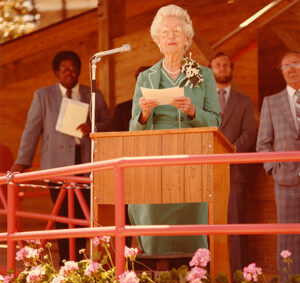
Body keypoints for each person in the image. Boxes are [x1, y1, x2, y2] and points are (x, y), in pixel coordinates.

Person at [129, 4, 221, 255]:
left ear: (187, 38)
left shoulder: (204, 75)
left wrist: (193, 112)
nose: (171, 35)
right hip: (153, 164)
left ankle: (196, 277)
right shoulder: (145, 78)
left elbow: (215, 122)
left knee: (190, 233)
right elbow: (133, 128)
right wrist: (145, 114)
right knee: (150, 221)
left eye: (177, 31)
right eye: (166, 31)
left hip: (191, 162)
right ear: (158, 39)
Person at [10, 50, 111, 262]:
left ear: (79, 71)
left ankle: (83, 266)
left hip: (85, 164)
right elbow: (32, 130)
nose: (69, 72)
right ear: (57, 72)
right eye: (64, 68)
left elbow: (108, 125)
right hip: (56, 167)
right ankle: (66, 264)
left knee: (84, 217)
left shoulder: (92, 94)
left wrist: (92, 126)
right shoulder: (43, 96)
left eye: (73, 68)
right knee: (63, 217)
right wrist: (21, 162)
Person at [210, 52, 257, 274]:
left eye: (225, 64)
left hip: (235, 172)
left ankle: (241, 280)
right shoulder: (201, 101)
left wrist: (232, 150)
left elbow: (250, 132)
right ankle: (206, 280)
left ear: (232, 68)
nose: (221, 67)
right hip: (207, 172)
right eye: (217, 64)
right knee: (206, 228)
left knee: (237, 229)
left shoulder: (244, 100)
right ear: (210, 70)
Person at [257, 51, 300, 281]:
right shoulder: (271, 102)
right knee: (288, 240)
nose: (291, 69)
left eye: (295, 64)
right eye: (286, 66)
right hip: (285, 182)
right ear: (282, 72)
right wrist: (276, 169)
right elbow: (262, 144)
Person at [112, 66, 150, 131]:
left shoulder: (164, 107)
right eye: (142, 82)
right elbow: (115, 137)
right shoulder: (121, 110)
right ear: (136, 84)